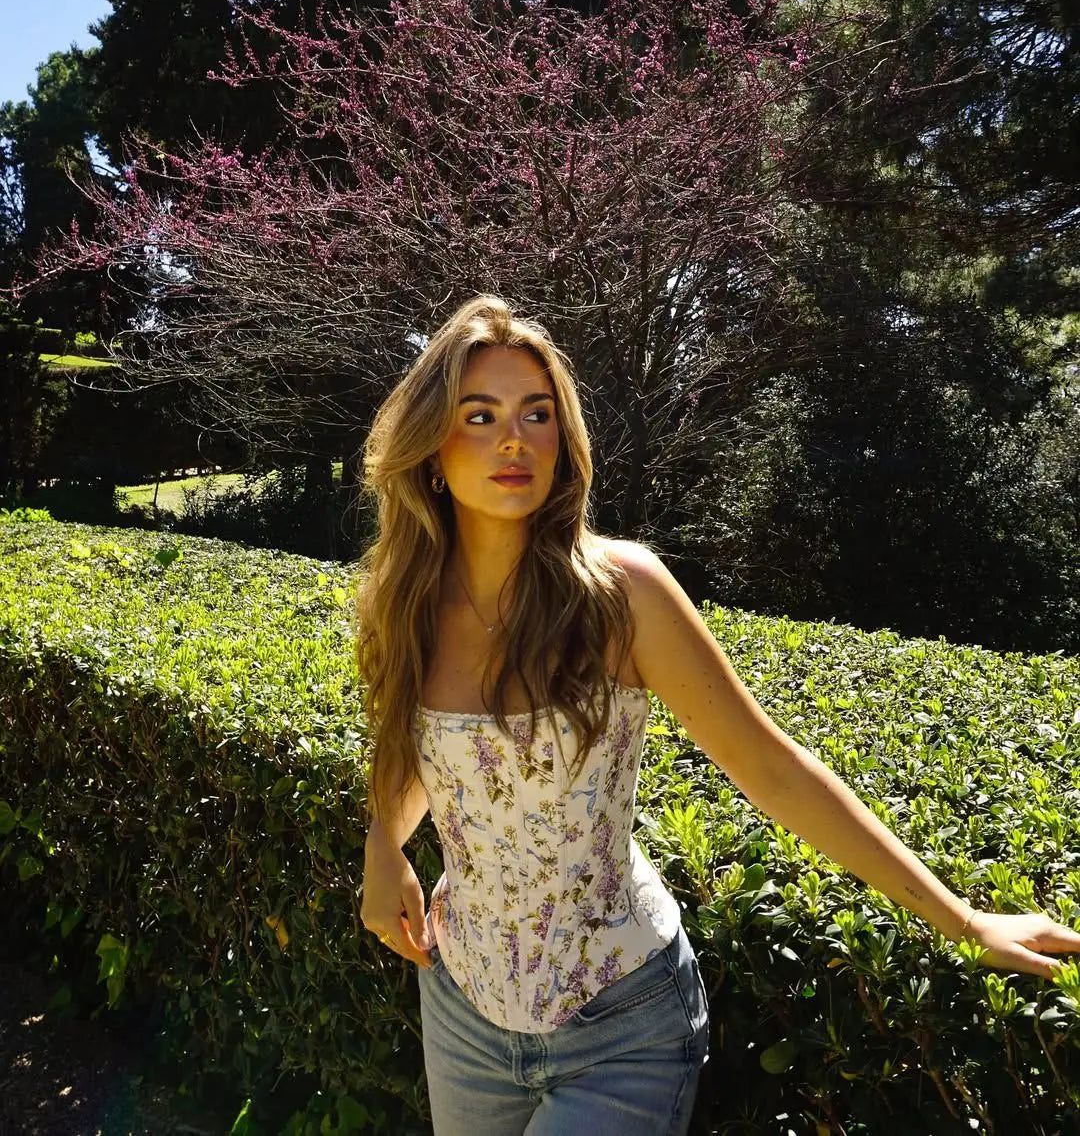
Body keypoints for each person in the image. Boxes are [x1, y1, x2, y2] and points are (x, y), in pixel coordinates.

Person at [355, 294, 1080, 1136]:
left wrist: (959, 921)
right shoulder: (402, 599)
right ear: (433, 450)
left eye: (536, 413)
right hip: (462, 1011)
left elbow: (774, 768)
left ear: (563, 440)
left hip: (619, 1024)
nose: (513, 438)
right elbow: (413, 753)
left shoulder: (623, 596)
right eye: (479, 416)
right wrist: (382, 847)